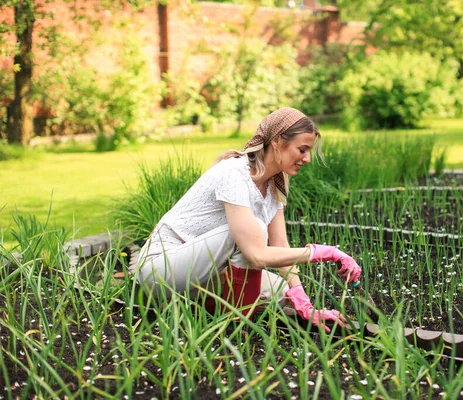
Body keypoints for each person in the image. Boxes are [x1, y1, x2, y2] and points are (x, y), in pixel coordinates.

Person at [136, 107, 362, 332]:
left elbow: (281, 248)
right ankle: (235, 328)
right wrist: (326, 253)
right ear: (276, 141)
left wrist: (305, 305)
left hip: (206, 270)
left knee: (282, 291)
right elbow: (256, 254)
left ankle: (189, 305)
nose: (307, 158)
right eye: (302, 149)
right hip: (160, 270)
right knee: (252, 234)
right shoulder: (234, 173)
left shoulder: (275, 185)